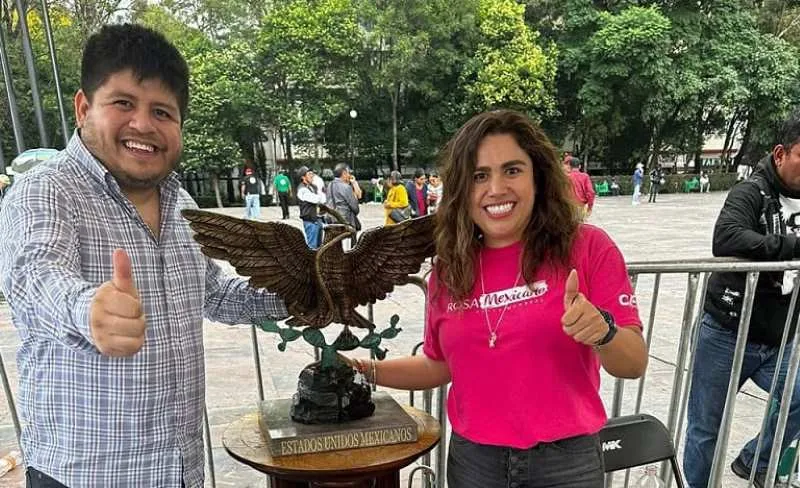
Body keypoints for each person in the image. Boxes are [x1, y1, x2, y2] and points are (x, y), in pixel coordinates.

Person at [0, 24, 288, 488]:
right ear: (83, 107)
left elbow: (215, 293)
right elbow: (34, 275)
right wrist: (89, 310)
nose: (143, 125)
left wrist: (301, 290)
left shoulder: (180, 204)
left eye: (162, 111)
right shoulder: (46, 191)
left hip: (180, 472)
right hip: (87, 478)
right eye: (123, 103)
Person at [349, 109, 647, 487]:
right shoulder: (450, 269)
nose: (496, 189)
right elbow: (440, 366)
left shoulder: (588, 247)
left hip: (566, 465)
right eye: (479, 176)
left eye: (512, 170)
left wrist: (603, 331)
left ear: (538, 176)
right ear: (462, 190)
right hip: (476, 464)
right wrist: (364, 369)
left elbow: (633, 363)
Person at [683, 111, 800, 488]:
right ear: (781, 154)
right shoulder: (751, 192)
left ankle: (753, 460)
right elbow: (727, 238)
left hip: (780, 338)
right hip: (726, 333)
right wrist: (791, 247)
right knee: (706, 429)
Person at [327, 163, 361, 247]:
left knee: (336, 247)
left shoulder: (330, 185)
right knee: (347, 249)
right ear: (344, 173)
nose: (350, 175)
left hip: (332, 221)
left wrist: (354, 183)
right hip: (346, 222)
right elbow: (355, 208)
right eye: (349, 173)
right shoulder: (346, 187)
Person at [296, 165, 326, 249]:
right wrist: (320, 193)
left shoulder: (313, 187)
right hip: (311, 222)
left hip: (318, 220)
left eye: (312, 174)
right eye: (309, 174)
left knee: (319, 247)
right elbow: (316, 199)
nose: (312, 176)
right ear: (303, 177)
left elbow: (323, 199)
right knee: (312, 247)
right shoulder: (302, 189)